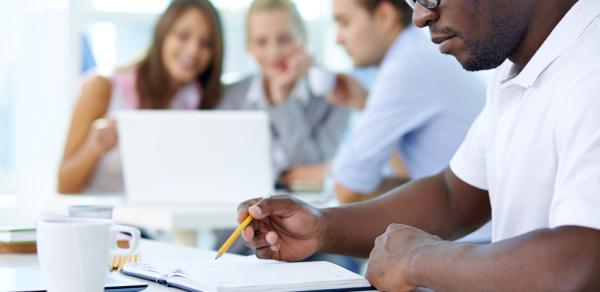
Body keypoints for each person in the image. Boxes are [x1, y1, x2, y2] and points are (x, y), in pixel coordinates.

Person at [236, 0, 600, 290]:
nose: (420, 18)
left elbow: (581, 263)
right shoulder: (516, 67)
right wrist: (321, 227)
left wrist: (418, 260)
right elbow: (453, 196)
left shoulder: (590, 66)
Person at [58, 0, 224, 194]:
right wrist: (94, 146)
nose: (193, 50)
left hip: (146, 221)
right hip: (91, 219)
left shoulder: (195, 102)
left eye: (206, 43)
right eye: (183, 36)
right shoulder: (103, 87)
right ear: (163, 34)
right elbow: (64, 185)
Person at [328, 0, 485, 204]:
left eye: (345, 23)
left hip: (470, 233)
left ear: (385, 16)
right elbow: (407, 173)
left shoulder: (406, 66)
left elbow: (348, 187)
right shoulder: (417, 52)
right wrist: (364, 104)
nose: (338, 39)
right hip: (472, 225)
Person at [217, 0, 350, 189]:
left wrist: (282, 98)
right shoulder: (230, 97)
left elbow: (314, 173)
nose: (274, 52)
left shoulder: (334, 94)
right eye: (261, 42)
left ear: (303, 36)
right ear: (249, 46)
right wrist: (282, 176)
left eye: (284, 39)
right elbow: (225, 170)